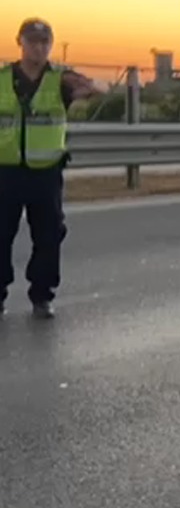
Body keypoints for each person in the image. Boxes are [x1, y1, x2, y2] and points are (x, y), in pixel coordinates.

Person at [0, 18, 103, 318]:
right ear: (20, 42)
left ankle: (42, 296)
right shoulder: (4, 78)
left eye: (45, 42)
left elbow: (94, 89)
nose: (39, 47)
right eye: (32, 41)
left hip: (45, 172)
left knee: (48, 236)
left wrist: (84, 86)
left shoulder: (59, 80)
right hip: (5, 172)